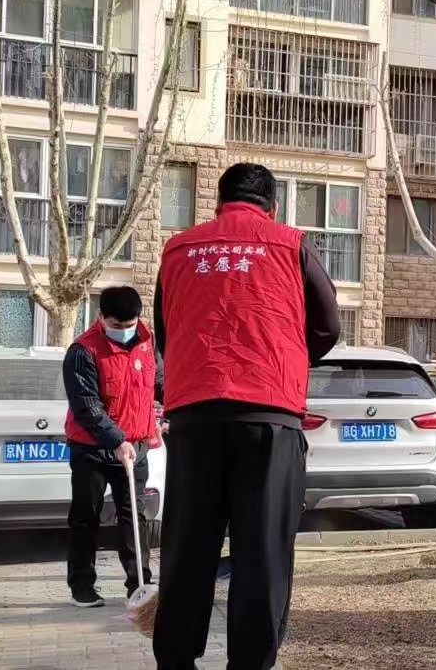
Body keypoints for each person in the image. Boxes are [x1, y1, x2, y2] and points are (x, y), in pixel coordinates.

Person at [152, 163, 340, 670]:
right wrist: (283, 355)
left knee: (188, 548)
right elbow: (328, 326)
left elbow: (168, 330)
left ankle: (176, 661)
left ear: (218, 203)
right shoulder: (292, 244)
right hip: (269, 416)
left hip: (194, 417)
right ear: (272, 206)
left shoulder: (178, 249)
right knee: (262, 554)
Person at [62, 285, 162, 607]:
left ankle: (139, 584)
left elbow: (160, 384)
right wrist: (116, 440)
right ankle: (82, 586)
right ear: (101, 317)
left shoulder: (147, 343)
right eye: (117, 326)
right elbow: (86, 405)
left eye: (129, 324)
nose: (124, 331)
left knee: (134, 517)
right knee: (86, 516)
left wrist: (175, 410)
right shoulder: (83, 351)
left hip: (136, 447)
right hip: (91, 450)